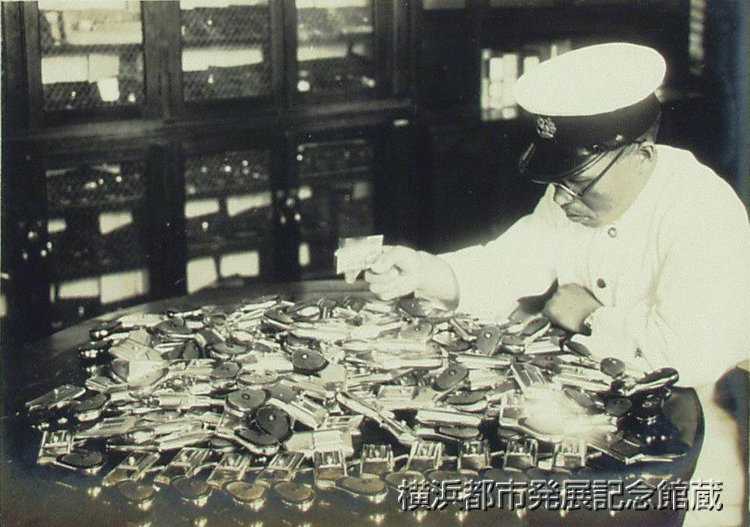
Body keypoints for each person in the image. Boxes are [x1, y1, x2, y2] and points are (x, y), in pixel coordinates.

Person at [364, 42, 750, 388]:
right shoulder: (571, 198)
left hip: (703, 409)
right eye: (557, 183)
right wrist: (422, 270)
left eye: (578, 182)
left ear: (641, 156)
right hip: (602, 389)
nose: (561, 199)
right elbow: (509, 266)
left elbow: (689, 357)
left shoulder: (702, 213)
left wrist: (589, 316)